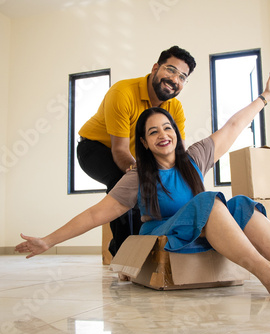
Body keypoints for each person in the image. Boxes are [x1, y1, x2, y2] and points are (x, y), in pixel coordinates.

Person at [16, 72, 270, 297]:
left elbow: (233, 126)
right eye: (153, 132)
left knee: (241, 203)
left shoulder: (196, 156)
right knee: (209, 201)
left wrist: (265, 98)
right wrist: (48, 240)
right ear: (144, 143)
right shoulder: (137, 177)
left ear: (176, 132)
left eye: (167, 128)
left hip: (200, 234)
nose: (162, 135)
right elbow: (94, 215)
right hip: (163, 237)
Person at [77, 46, 196, 255]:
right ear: (155, 68)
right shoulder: (122, 93)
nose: (175, 79)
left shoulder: (175, 108)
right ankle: (125, 255)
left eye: (182, 77)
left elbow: (178, 153)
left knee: (162, 186)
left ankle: (156, 248)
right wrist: (142, 173)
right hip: (95, 148)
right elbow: (120, 151)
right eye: (170, 70)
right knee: (125, 183)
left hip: (135, 155)